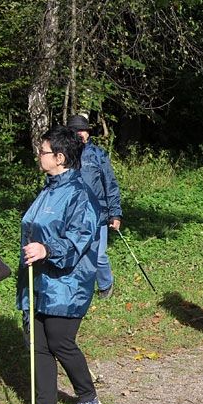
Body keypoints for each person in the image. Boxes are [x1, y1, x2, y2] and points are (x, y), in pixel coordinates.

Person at [9, 126, 102, 404]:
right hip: (37, 282)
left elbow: (80, 238)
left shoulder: (79, 194)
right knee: (38, 345)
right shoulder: (49, 188)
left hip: (67, 284)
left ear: (60, 157)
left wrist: (48, 249)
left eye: (43, 151)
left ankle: (88, 397)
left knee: (61, 342)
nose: (39, 155)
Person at [67, 115, 122, 299]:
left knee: (98, 256)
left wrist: (115, 214)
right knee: (75, 254)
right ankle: (78, 290)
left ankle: (106, 284)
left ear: (88, 133)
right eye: (75, 131)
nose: (79, 134)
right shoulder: (65, 156)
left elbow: (110, 185)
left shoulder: (98, 155)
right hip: (74, 215)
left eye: (81, 130)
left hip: (98, 214)